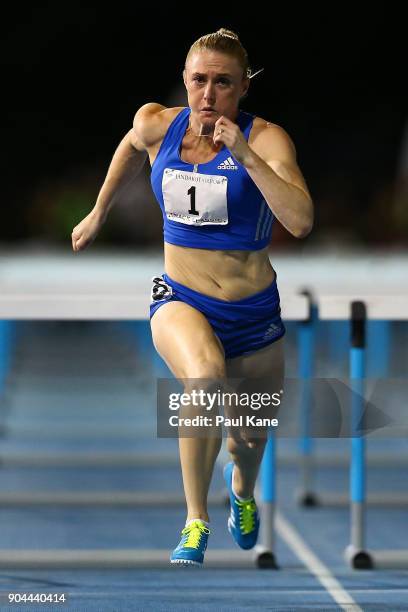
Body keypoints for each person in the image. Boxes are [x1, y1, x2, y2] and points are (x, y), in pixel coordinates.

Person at [71, 28, 313, 566]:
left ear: (242, 88)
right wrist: (99, 211)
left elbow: (300, 222)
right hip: (181, 297)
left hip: (253, 314)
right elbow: (131, 146)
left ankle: (242, 494)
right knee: (202, 378)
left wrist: (246, 156)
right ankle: (195, 520)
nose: (208, 94)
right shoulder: (157, 122)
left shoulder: (268, 140)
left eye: (222, 83)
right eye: (199, 80)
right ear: (184, 81)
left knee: (246, 443)